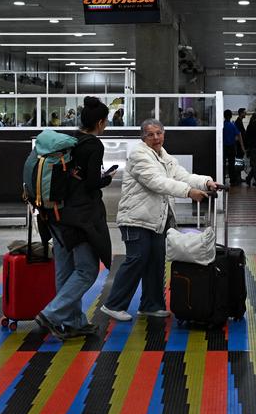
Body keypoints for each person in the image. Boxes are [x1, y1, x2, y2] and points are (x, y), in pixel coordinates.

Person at [103, 119, 218, 322]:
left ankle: (151, 305)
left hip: (157, 219)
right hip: (135, 218)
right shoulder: (139, 155)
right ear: (143, 137)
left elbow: (182, 175)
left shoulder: (165, 156)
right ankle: (113, 304)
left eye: (159, 133)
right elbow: (157, 182)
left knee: (156, 261)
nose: (156, 137)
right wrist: (189, 192)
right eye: (151, 134)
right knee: (137, 259)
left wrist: (205, 181)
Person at [39, 98, 116, 337]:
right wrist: (107, 179)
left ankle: (73, 322)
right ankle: (51, 314)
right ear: (101, 122)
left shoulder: (69, 140)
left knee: (65, 269)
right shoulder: (93, 145)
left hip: (54, 213)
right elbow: (92, 182)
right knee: (86, 270)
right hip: (79, 216)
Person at [223, 109, 244, 188]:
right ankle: (233, 180)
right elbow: (239, 135)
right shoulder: (232, 125)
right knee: (231, 164)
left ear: (224, 116)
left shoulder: (222, 125)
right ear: (231, 116)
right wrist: (242, 147)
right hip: (231, 147)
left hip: (224, 147)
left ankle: (222, 179)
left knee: (223, 163)